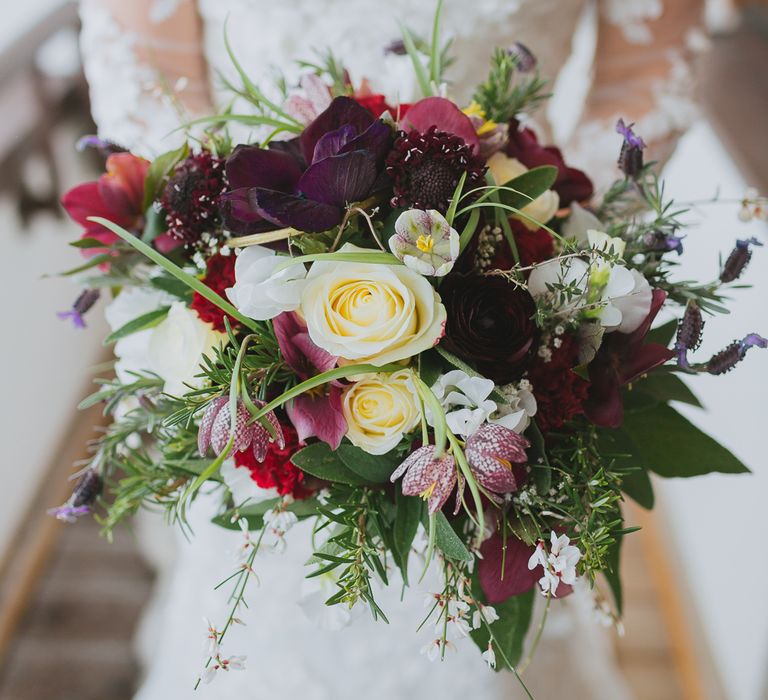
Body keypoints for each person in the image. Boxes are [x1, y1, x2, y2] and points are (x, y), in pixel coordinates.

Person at [76, 1, 704, 698]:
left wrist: (550, 253)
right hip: (256, 298)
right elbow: (141, 55)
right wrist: (221, 250)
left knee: (480, 637)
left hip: (505, 302)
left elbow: (652, 62)